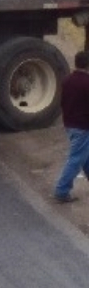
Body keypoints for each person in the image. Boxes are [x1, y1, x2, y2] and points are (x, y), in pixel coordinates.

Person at [55, 51, 89, 202]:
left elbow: (62, 102)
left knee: (85, 156)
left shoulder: (67, 80)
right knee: (76, 159)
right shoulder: (87, 83)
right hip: (83, 126)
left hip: (69, 124)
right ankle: (61, 191)